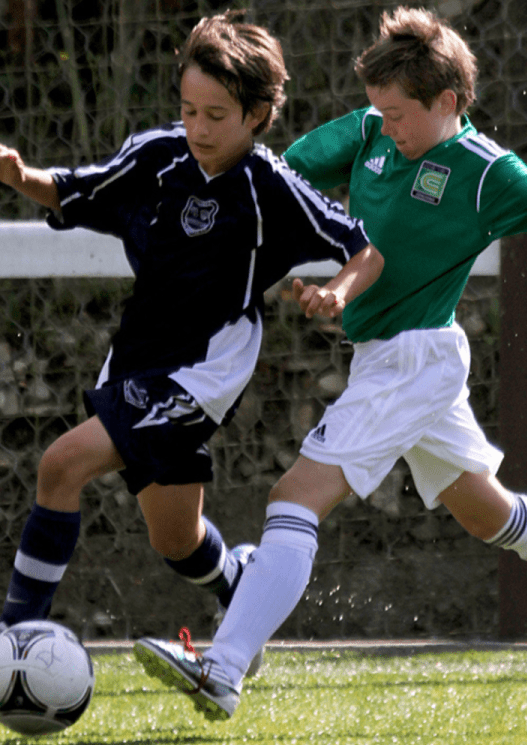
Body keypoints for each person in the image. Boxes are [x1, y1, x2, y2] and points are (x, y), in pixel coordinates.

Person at [133, 5, 527, 721]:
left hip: (414, 360)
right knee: (495, 517)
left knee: (295, 497)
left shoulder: (486, 173)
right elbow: (278, 177)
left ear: (448, 102)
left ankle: (222, 669)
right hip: (398, 361)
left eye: (400, 114)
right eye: (379, 109)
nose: (386, 125)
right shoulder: (369, 131)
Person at [0, 9, 383, 680]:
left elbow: (363, 249)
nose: (198, 128)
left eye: (216, 115)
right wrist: (17, 174)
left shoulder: (271, 190)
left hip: (203, 372)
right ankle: (241, 592)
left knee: (60, 466)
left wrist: (337, 293)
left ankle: (12, 643)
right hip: (137, 357)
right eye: (188, 111)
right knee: (176, 538)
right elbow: (76, 191)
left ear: (257, 115)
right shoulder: (158, 156)